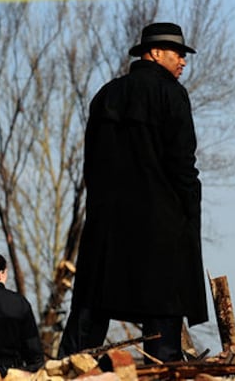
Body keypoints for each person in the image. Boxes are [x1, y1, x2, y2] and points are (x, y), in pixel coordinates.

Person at [58, 22, 208, 362]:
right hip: (160, 221)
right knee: (163, 311)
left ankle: (69, 366)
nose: (183, 61)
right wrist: (189, 207)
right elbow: (182, 161)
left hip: (108, 222)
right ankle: (164, 364)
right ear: (154, 53)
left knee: (92, 305)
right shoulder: (171, 94)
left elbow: (91, 163)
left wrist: (98, 207)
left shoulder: (107, 94)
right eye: (178, 54)